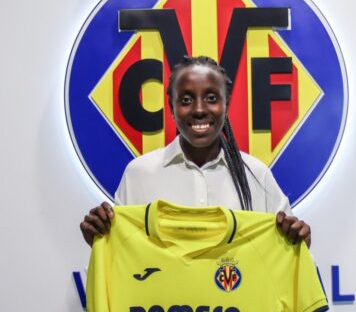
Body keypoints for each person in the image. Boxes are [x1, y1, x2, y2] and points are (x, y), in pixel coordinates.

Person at [79, 55, 312, 247]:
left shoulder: (255, 174)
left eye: (211, 98)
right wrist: (101, 238)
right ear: (171, 107)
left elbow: (286, 253)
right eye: (186, 100)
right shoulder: (139, 174)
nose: (199, 109)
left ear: (226, 104)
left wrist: (297, 241)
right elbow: (121, 253)